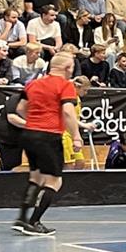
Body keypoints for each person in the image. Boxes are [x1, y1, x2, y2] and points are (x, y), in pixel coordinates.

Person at [12, 50, 84, 236]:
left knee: (35, 178)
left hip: (29, 134)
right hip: (49, 136)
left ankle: (21, 218)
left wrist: (35, 122)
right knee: (54, 181)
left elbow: (20, 108)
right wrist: (76, 135)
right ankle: (34, 222)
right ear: (67, 68)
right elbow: (68, 112)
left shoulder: (33, 84)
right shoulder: (65, 85)